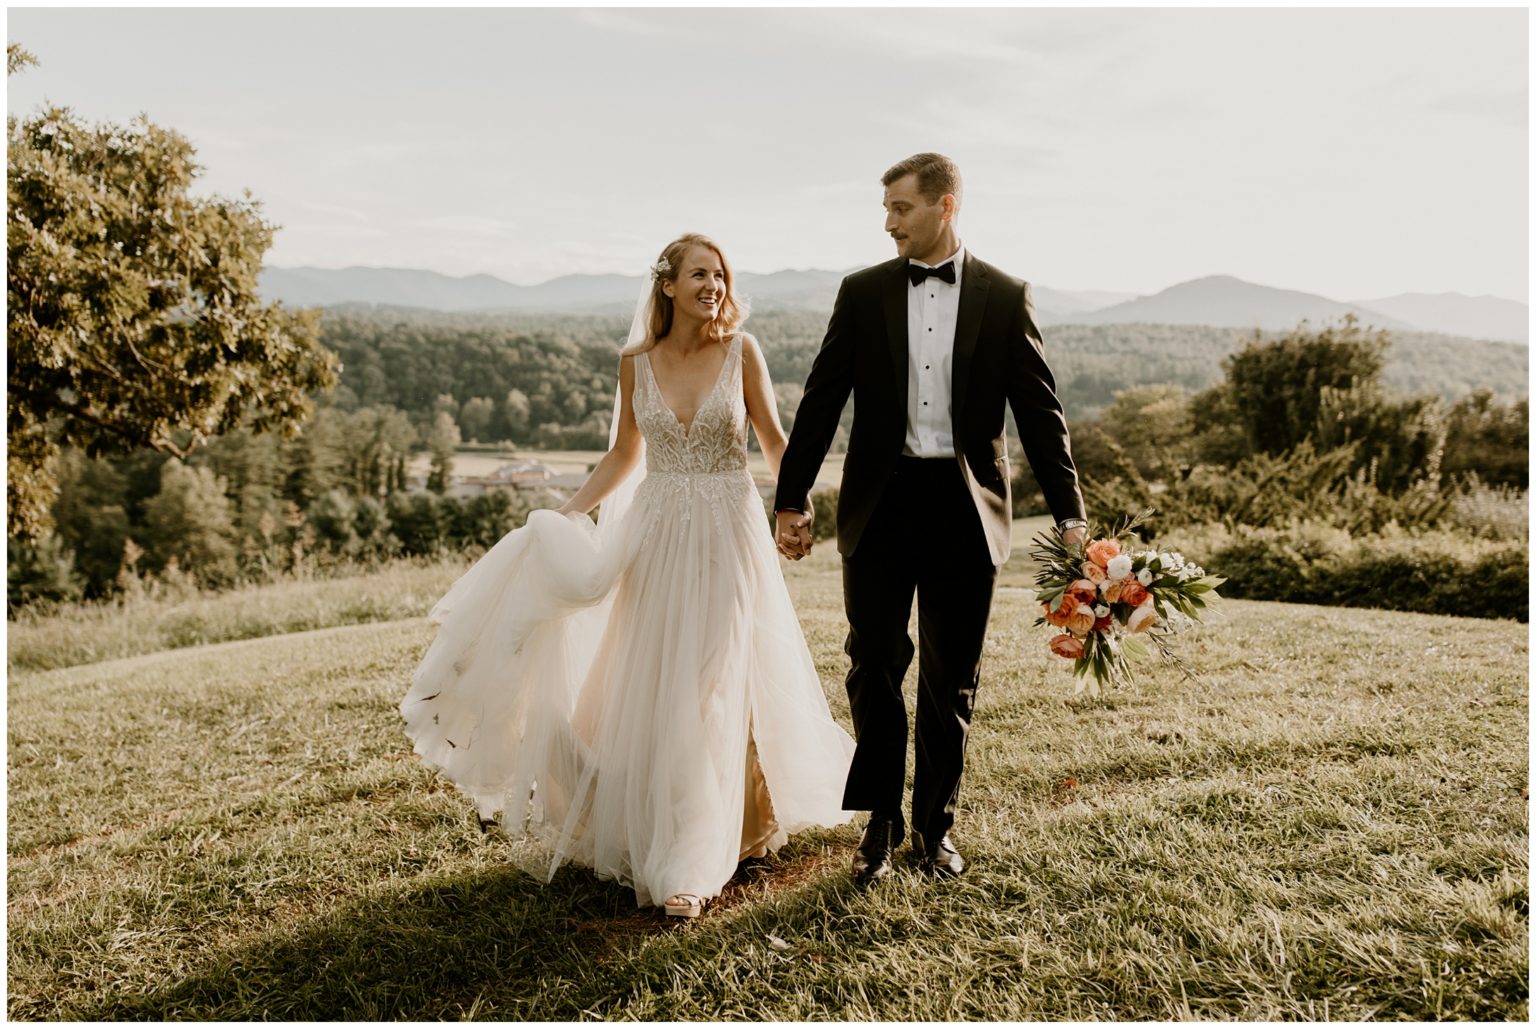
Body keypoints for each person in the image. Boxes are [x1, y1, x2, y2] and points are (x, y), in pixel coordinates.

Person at [402, 233, 854, 919]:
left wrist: (796, 507)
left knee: (709, 683)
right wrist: (560, 515)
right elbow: (622, 455)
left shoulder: (742, 352)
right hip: (655, 537)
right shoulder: (634, 363)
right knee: (656, 683)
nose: (714, 284)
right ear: (666, 285)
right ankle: (673, 819)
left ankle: (695, 860)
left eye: (721, 274)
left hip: (728, 537)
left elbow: (774, 442)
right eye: (700, 273)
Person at [773, 153, 1089, 886]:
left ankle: (934, 829)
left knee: (953, 678)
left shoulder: (1006, 296)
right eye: (885, 210)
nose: (888, 223)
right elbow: (822, 400)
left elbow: (1041, 414)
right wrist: (792, 497)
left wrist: (1070, 513)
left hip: (965, 509)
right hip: (879, 505)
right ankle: (878, 827)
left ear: (945, 207)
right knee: (873, 667)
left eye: (901, 209)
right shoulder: (862, 293)